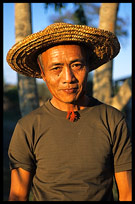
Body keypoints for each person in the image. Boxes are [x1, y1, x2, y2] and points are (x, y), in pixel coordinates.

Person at [6, 22, 132, 201]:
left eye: (76, 65)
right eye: (56, 68)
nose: (68, 78)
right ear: (42, 73)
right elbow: (18, 195)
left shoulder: (113, 120)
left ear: (88, 66)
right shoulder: (28, 128)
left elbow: (127, 194)